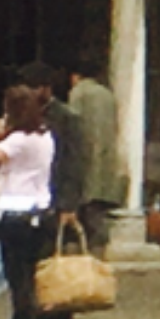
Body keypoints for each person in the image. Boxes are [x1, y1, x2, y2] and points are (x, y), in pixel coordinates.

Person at [0, 83, 66, 319]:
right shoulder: (45, 136)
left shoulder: (18, 141)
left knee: (19, 279)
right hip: (39, 210)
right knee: (29, 275)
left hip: (15, 213)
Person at [60, 63, 126, 254]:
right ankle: (96, 251)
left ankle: (88, 257)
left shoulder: (79, 93)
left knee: (86, 211)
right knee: (97, 211)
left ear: (75, 76)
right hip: (107, 158)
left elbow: (73, 126)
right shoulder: (107, 95)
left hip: (86, 158)